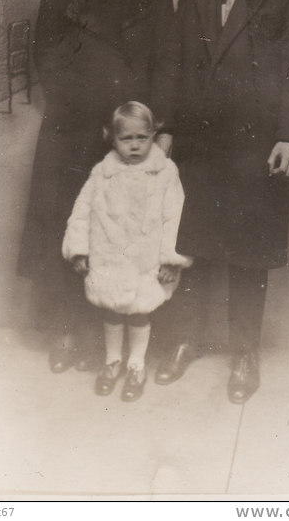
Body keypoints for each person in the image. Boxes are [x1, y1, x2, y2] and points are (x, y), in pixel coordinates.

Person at [155, 0, 289, 403]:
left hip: (258, 140)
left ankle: (245, 352)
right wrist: (166, 129)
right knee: (194, 244)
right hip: (201, 139)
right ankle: (186, 340)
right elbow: (179, 61)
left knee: (249, 250)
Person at [18, 0, 179, 373]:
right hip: (72, 126)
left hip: (130, 134)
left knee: (124, 229)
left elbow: (167, 64)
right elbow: (45, 54)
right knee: (66, 222)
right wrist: (82, 105)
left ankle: (123, 334)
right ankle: (67, 330)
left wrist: (156, 128)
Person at [62, 102, 191, 401]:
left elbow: (175, 217)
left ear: (153, 135)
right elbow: (81, 212)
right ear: (112, 139)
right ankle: (112, 361)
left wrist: (172, 259)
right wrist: (79, 250)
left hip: (144, 262)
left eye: (142, 138)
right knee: (112, 312)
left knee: (138, 314)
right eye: (126, 139)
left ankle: (136, 364)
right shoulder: (102, 173)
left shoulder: (165, 172)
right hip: (109, 258)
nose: (134, 145)